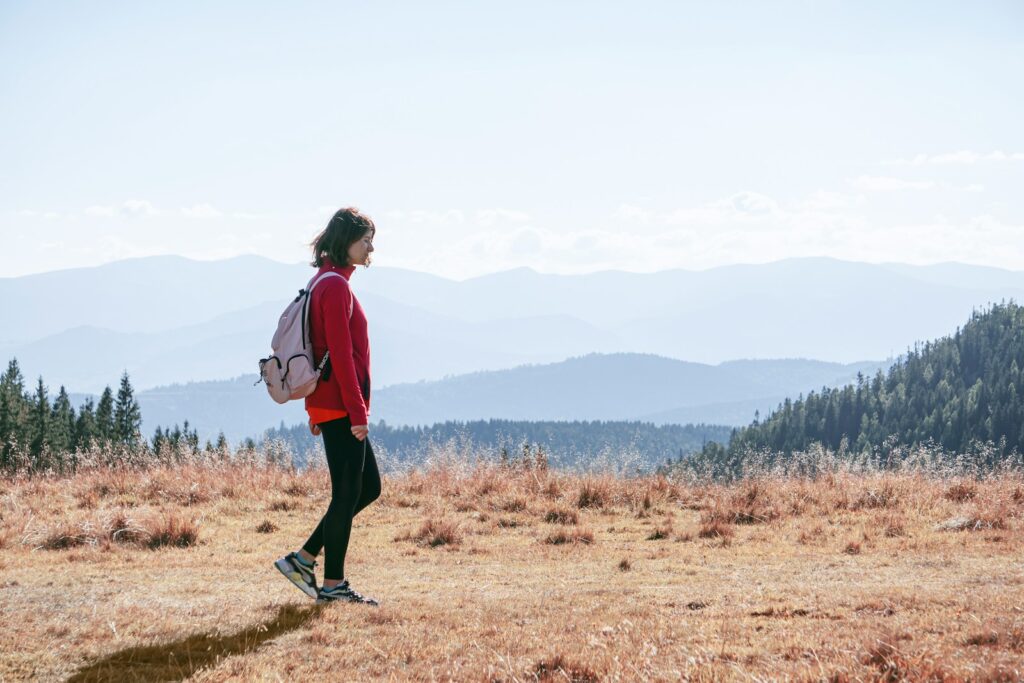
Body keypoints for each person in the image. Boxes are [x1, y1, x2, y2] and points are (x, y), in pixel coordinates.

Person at [275, 207, 382, 605]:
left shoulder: (324, 280)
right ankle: (333, 584)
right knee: (348, 493)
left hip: (330, 404)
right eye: (365, 239)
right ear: (346, 240)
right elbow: (338, 352)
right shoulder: (334, 287)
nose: (371, 246)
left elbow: (316, 350)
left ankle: (303, 559)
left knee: (365, 488)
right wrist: (359, 413)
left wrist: (316, 409)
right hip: (340, 405)